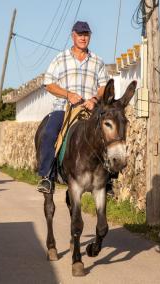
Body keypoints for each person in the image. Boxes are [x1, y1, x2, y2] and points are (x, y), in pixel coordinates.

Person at [37, 21, 108, 194]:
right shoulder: (60, 59)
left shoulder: (97, 61)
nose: (83, 38)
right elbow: (48, 84)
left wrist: (94, 98)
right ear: (73, 36)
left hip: (90, 109)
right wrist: (68, 94)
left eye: (86, 35)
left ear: (89, 36)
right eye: (80, 34)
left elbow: (103, 86)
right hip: (64, 107)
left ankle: (109, 180)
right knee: (48, 134)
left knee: (110, 134)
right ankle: (47, 176)